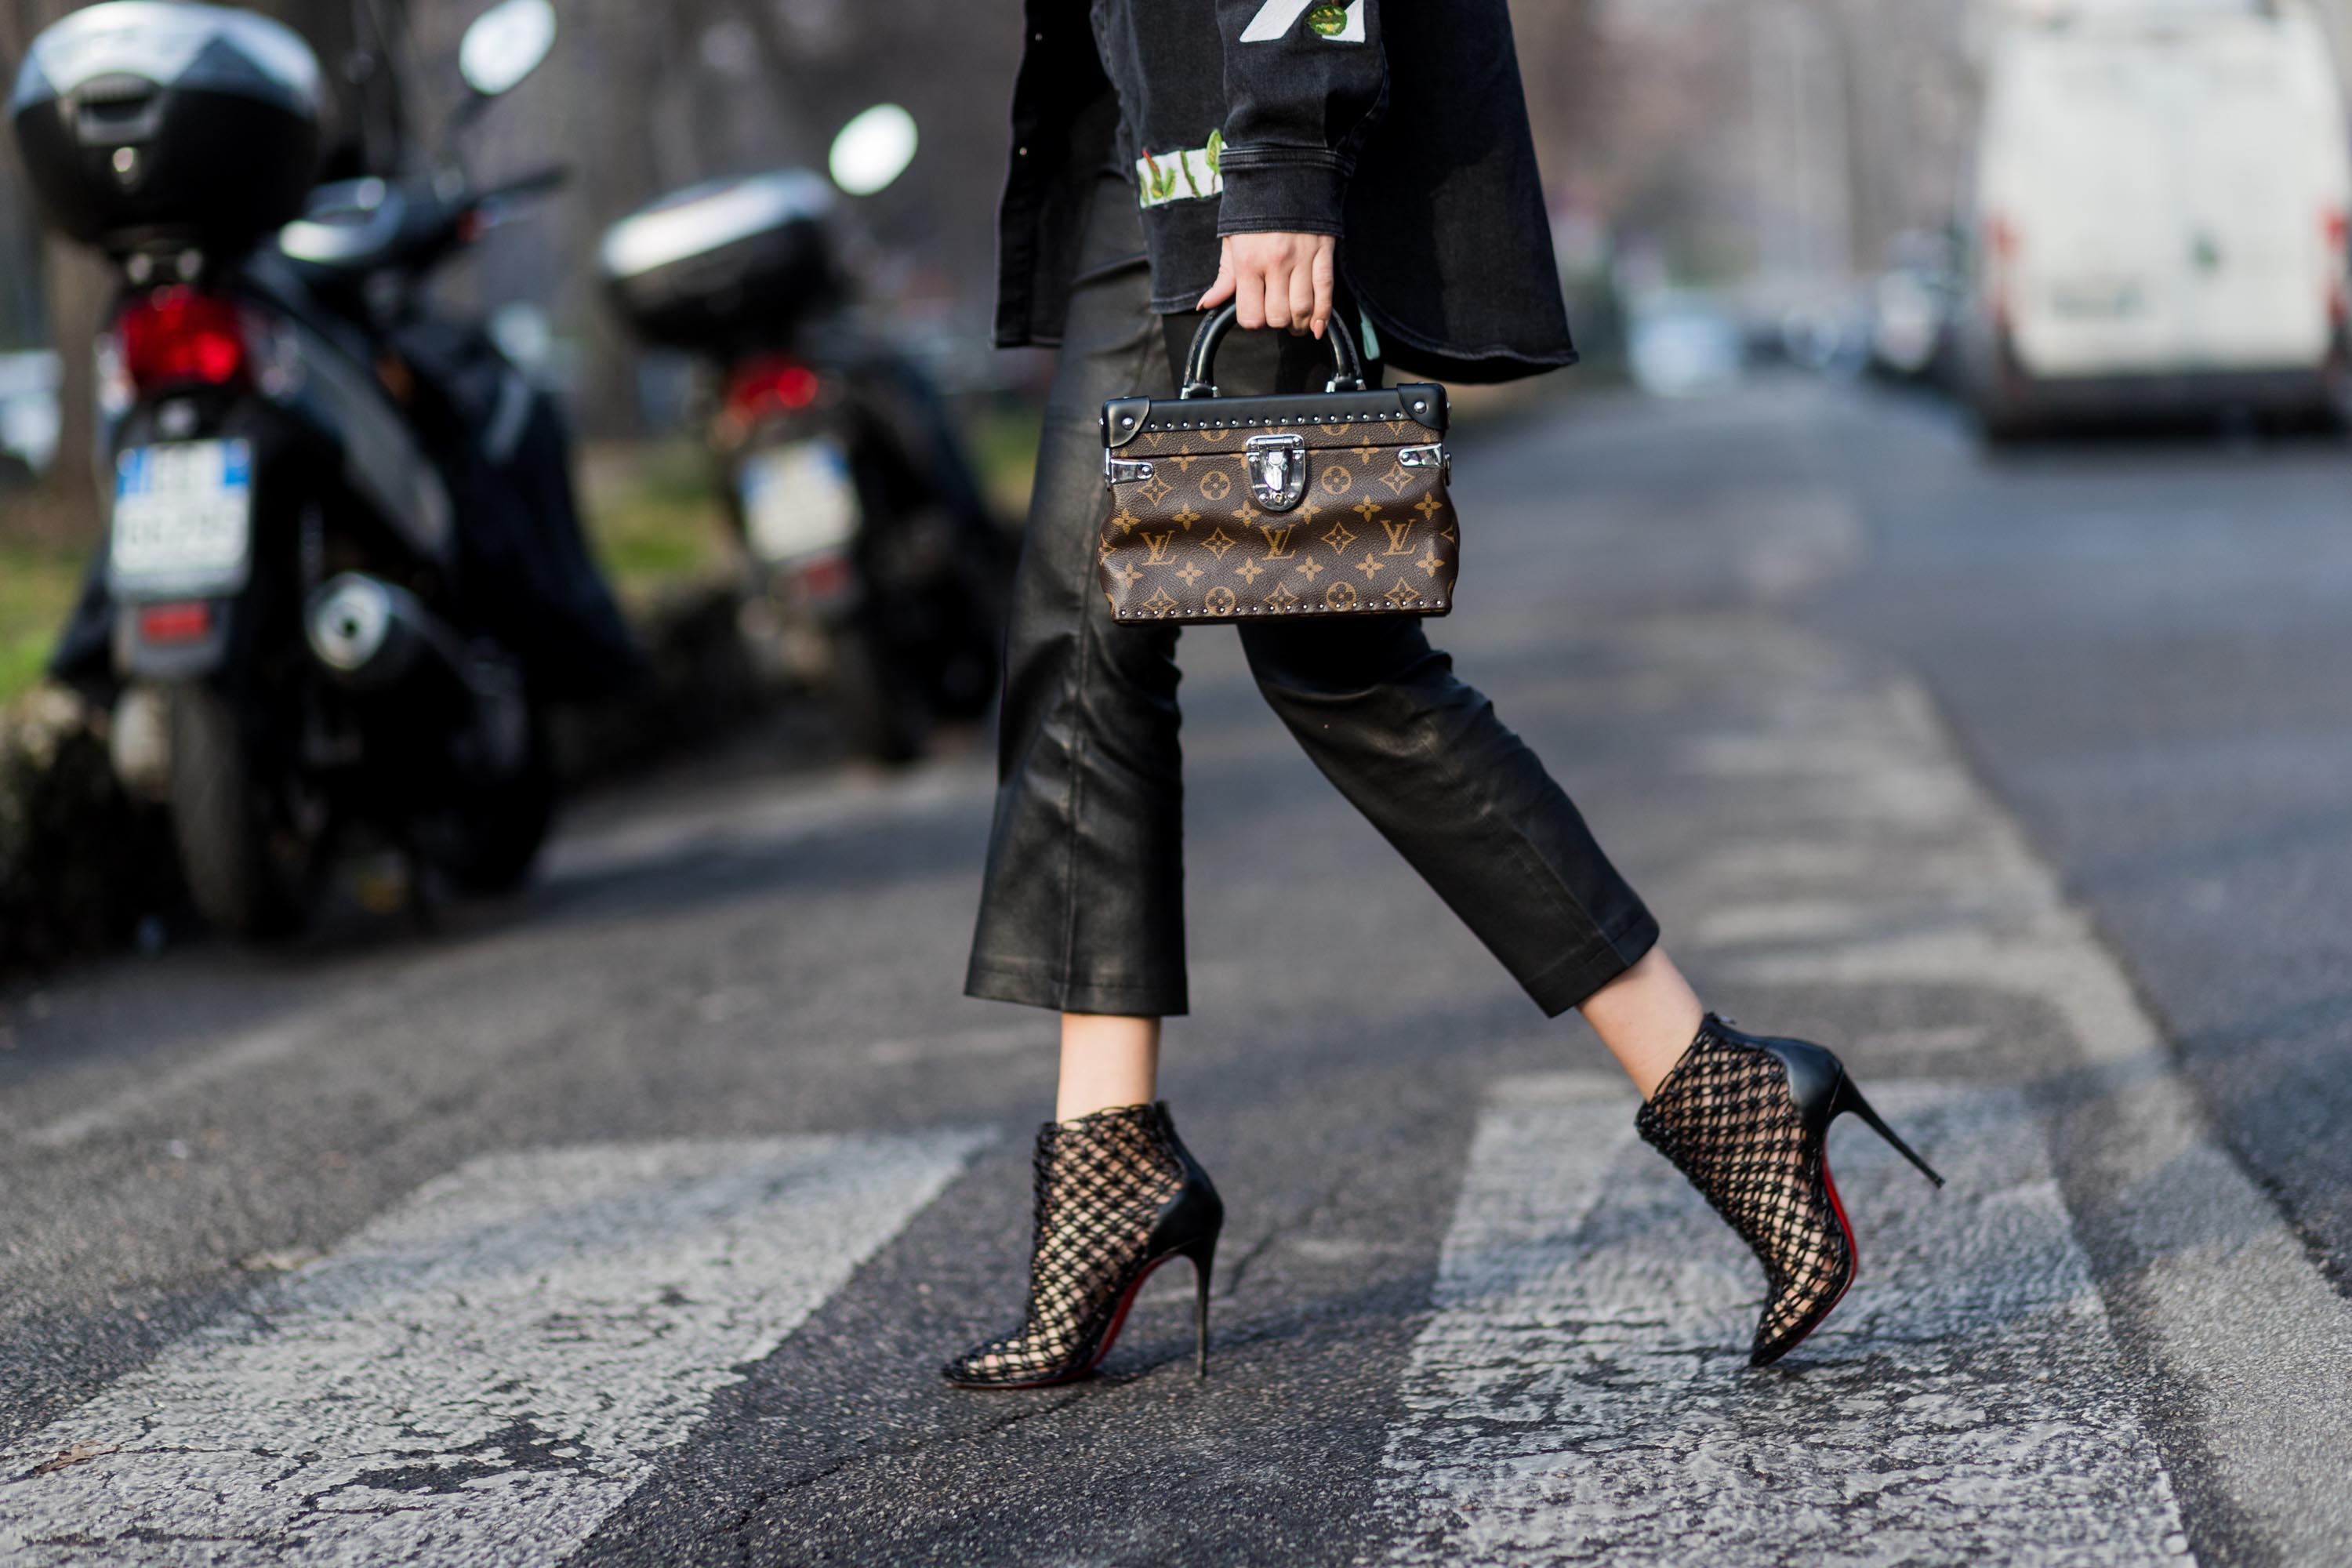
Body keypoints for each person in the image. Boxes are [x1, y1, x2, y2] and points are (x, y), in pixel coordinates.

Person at [945, 0, 1942, 1389]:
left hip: (1242, 115)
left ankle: (1721, 1089)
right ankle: (1110, 1156)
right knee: (1078, 650)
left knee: (1332, 659)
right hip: (1138, 123)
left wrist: (1285, 149)